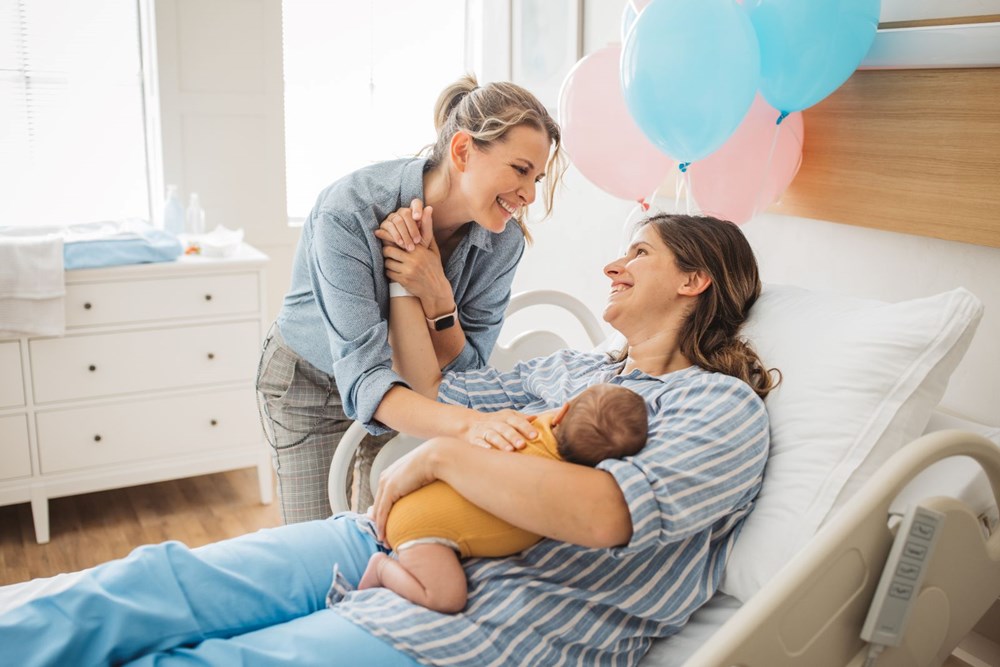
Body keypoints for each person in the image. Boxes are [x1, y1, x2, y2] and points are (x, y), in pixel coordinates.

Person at [0, 214, 778, 666]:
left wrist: (442, 456)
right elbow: (433, 392)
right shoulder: (577, 368)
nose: (613, 262)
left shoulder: (720, 407)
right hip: (390, 537)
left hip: (481, 621)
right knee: (157, 583)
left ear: (694, 279)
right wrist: (418, 285)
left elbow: (606, 513)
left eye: (639, 251)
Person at [258, 73, 565, 521]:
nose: (530, 194)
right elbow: (366, 380)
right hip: (310, 385)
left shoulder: (504, 243)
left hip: (409, 392)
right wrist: (474, 425)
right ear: (463, 151)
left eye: (537, 177)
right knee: (318, 538)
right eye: (520, 170)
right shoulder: (348, 212)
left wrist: (438, 293)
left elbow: (467, 375)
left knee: (382, 535)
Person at [357, 383, 649, 613]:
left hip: (414, 501)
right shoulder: (560, 478)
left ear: (561, 413)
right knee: (446, 598)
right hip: (421, 530)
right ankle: (382, 569)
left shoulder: (531, 428)